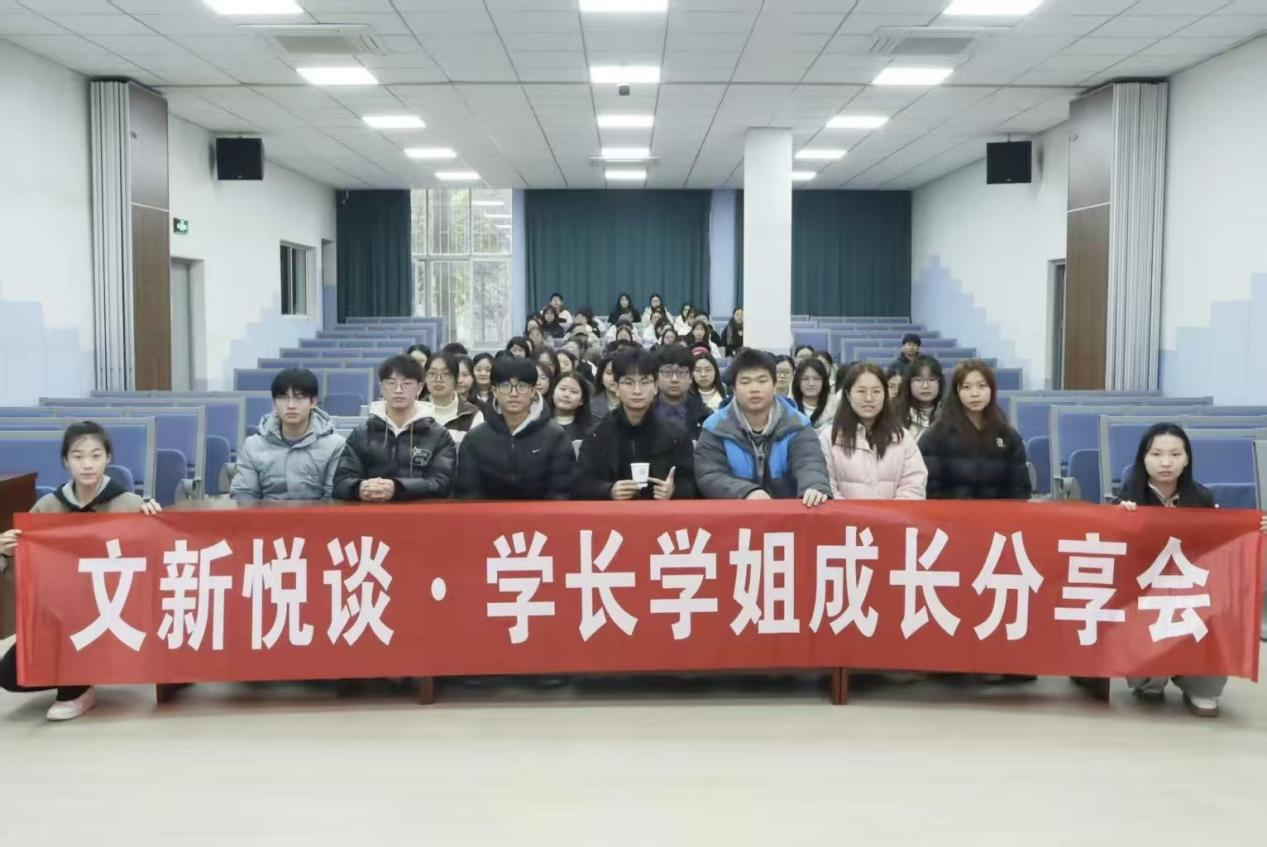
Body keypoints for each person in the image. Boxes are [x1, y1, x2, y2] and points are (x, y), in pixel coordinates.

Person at [0, 422, 162, 721]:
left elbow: (157, 561)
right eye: (78, 456)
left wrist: (157, 520)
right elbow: (26, 572)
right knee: (10, 674)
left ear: (108, 458)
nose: (87, 464)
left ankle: (76, 687)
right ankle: (82, 676)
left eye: (95, 455)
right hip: (61, 617)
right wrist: (7, 552)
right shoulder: (47, 508)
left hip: (115, 611)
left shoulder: (131, 504)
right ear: (65, 460)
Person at [1115, 424, 1267, 716]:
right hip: (1146, 594)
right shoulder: (1126, 499)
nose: (1166, 462)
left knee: (1214, 615)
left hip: (1192, 592)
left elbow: (1223, 545)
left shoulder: (1202, 499)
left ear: (1187, 459)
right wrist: (1119, 518)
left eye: (1175, 454)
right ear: (1143, 458)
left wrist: (1255, 529)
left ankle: (1200, 685)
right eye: (1156, 454)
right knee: (1147, 659)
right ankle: (1150, 678)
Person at [695, 348, 832, 505]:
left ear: (774, 385)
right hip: (735, 514)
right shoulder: (715, 428)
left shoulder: (798, 424)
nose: (754, 389)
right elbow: (709, 475)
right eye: (745, 382)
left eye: (762, 381)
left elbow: (809, 462)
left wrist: (814, 485)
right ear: (734, 389)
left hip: (787, 515)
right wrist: (745, 491)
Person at [574, 348, 698, 501]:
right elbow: (582, 485)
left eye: (645, 382)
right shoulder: (597, 435)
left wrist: (673, 491)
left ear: (655, 387)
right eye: (628, 382)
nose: (637, 391)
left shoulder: (677, 435)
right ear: (616, 388)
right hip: (614, 514)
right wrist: (609, 491)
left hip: (660, 513)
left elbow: (691, 485)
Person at [332, 355, 456, 501]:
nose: (398, 390)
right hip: (370, 510)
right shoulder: (362, 433)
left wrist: (398, 488)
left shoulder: (438, 435)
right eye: (391, 383)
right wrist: (359, 488)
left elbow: (442, 484)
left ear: (419, 387)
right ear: (381, 388)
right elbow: (340, 483)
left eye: (406, 383)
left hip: (418, 512)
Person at [455, 356, 576, 500]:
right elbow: (469, 494)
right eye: (505, 386)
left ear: (533, 391)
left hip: (542, 513)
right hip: (489, 513)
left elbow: (561, 492)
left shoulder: (556, 436)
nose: (514, 394)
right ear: (494, 390)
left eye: (522, 386)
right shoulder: (475, 439)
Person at [919, 359, 1030, 502]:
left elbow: (1019, 490)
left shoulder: (1008, 436)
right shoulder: (935, 436)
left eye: (982, 386)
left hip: (998, 514)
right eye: (966, 387)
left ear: (991, 390)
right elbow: (930, 490)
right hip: (951, 514)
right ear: (957, 391)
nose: (975, 394)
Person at [231, 368, 346, 501]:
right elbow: (244, 493)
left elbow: (333, 496)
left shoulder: (335, 445)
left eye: (299, 398)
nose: (291, 405)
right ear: (274, 403)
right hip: (267, 513)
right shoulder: (253, 445)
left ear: (313, 402)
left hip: (317, 514)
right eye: (283, 398)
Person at [820, 363, 927, 500]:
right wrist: (848, 512)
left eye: (876, 391)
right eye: (861, 391)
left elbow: (914, 484)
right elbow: (826, 486)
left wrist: (891, 512)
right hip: (843, 514)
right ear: (848, 394)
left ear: (885, 394)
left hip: (894, 514)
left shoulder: (902, 437)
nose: (869, 398)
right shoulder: (830, 437)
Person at [654, 346, 711, 439]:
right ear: (656, 377)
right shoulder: (643, 414)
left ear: (691, 377)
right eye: (667, 372)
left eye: (681, 372)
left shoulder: (706, 417)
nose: (674, 379)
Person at [423, 353, 484, 433]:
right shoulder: (415, 412)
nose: (438, 379)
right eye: (432, 373)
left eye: (445, 374)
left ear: (456, 378)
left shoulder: (472, 414)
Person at [895, 355, 944, 441]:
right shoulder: (896, 413)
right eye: (918, 380)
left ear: (940, 382)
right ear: (909, 383)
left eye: (931, 379)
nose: (925, 386)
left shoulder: (949, 413)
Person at [791, 357, 837, 434]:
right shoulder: (789, 407)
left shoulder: (836, 407)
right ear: (797, 381)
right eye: (805, 379)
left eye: (816, 379)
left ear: (824, 381)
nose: (811, 383)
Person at [550, 372, 595, 445]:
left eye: (574, 392)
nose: (566, 395)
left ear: (582, 400)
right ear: (553, 392)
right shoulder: (538, 421)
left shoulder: (591, 428)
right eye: (562, 389)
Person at [591, 356, 620, 420]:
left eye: (619, 373)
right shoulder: (589, 406)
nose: (614, 378)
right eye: (609, 373)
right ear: (601, 376)